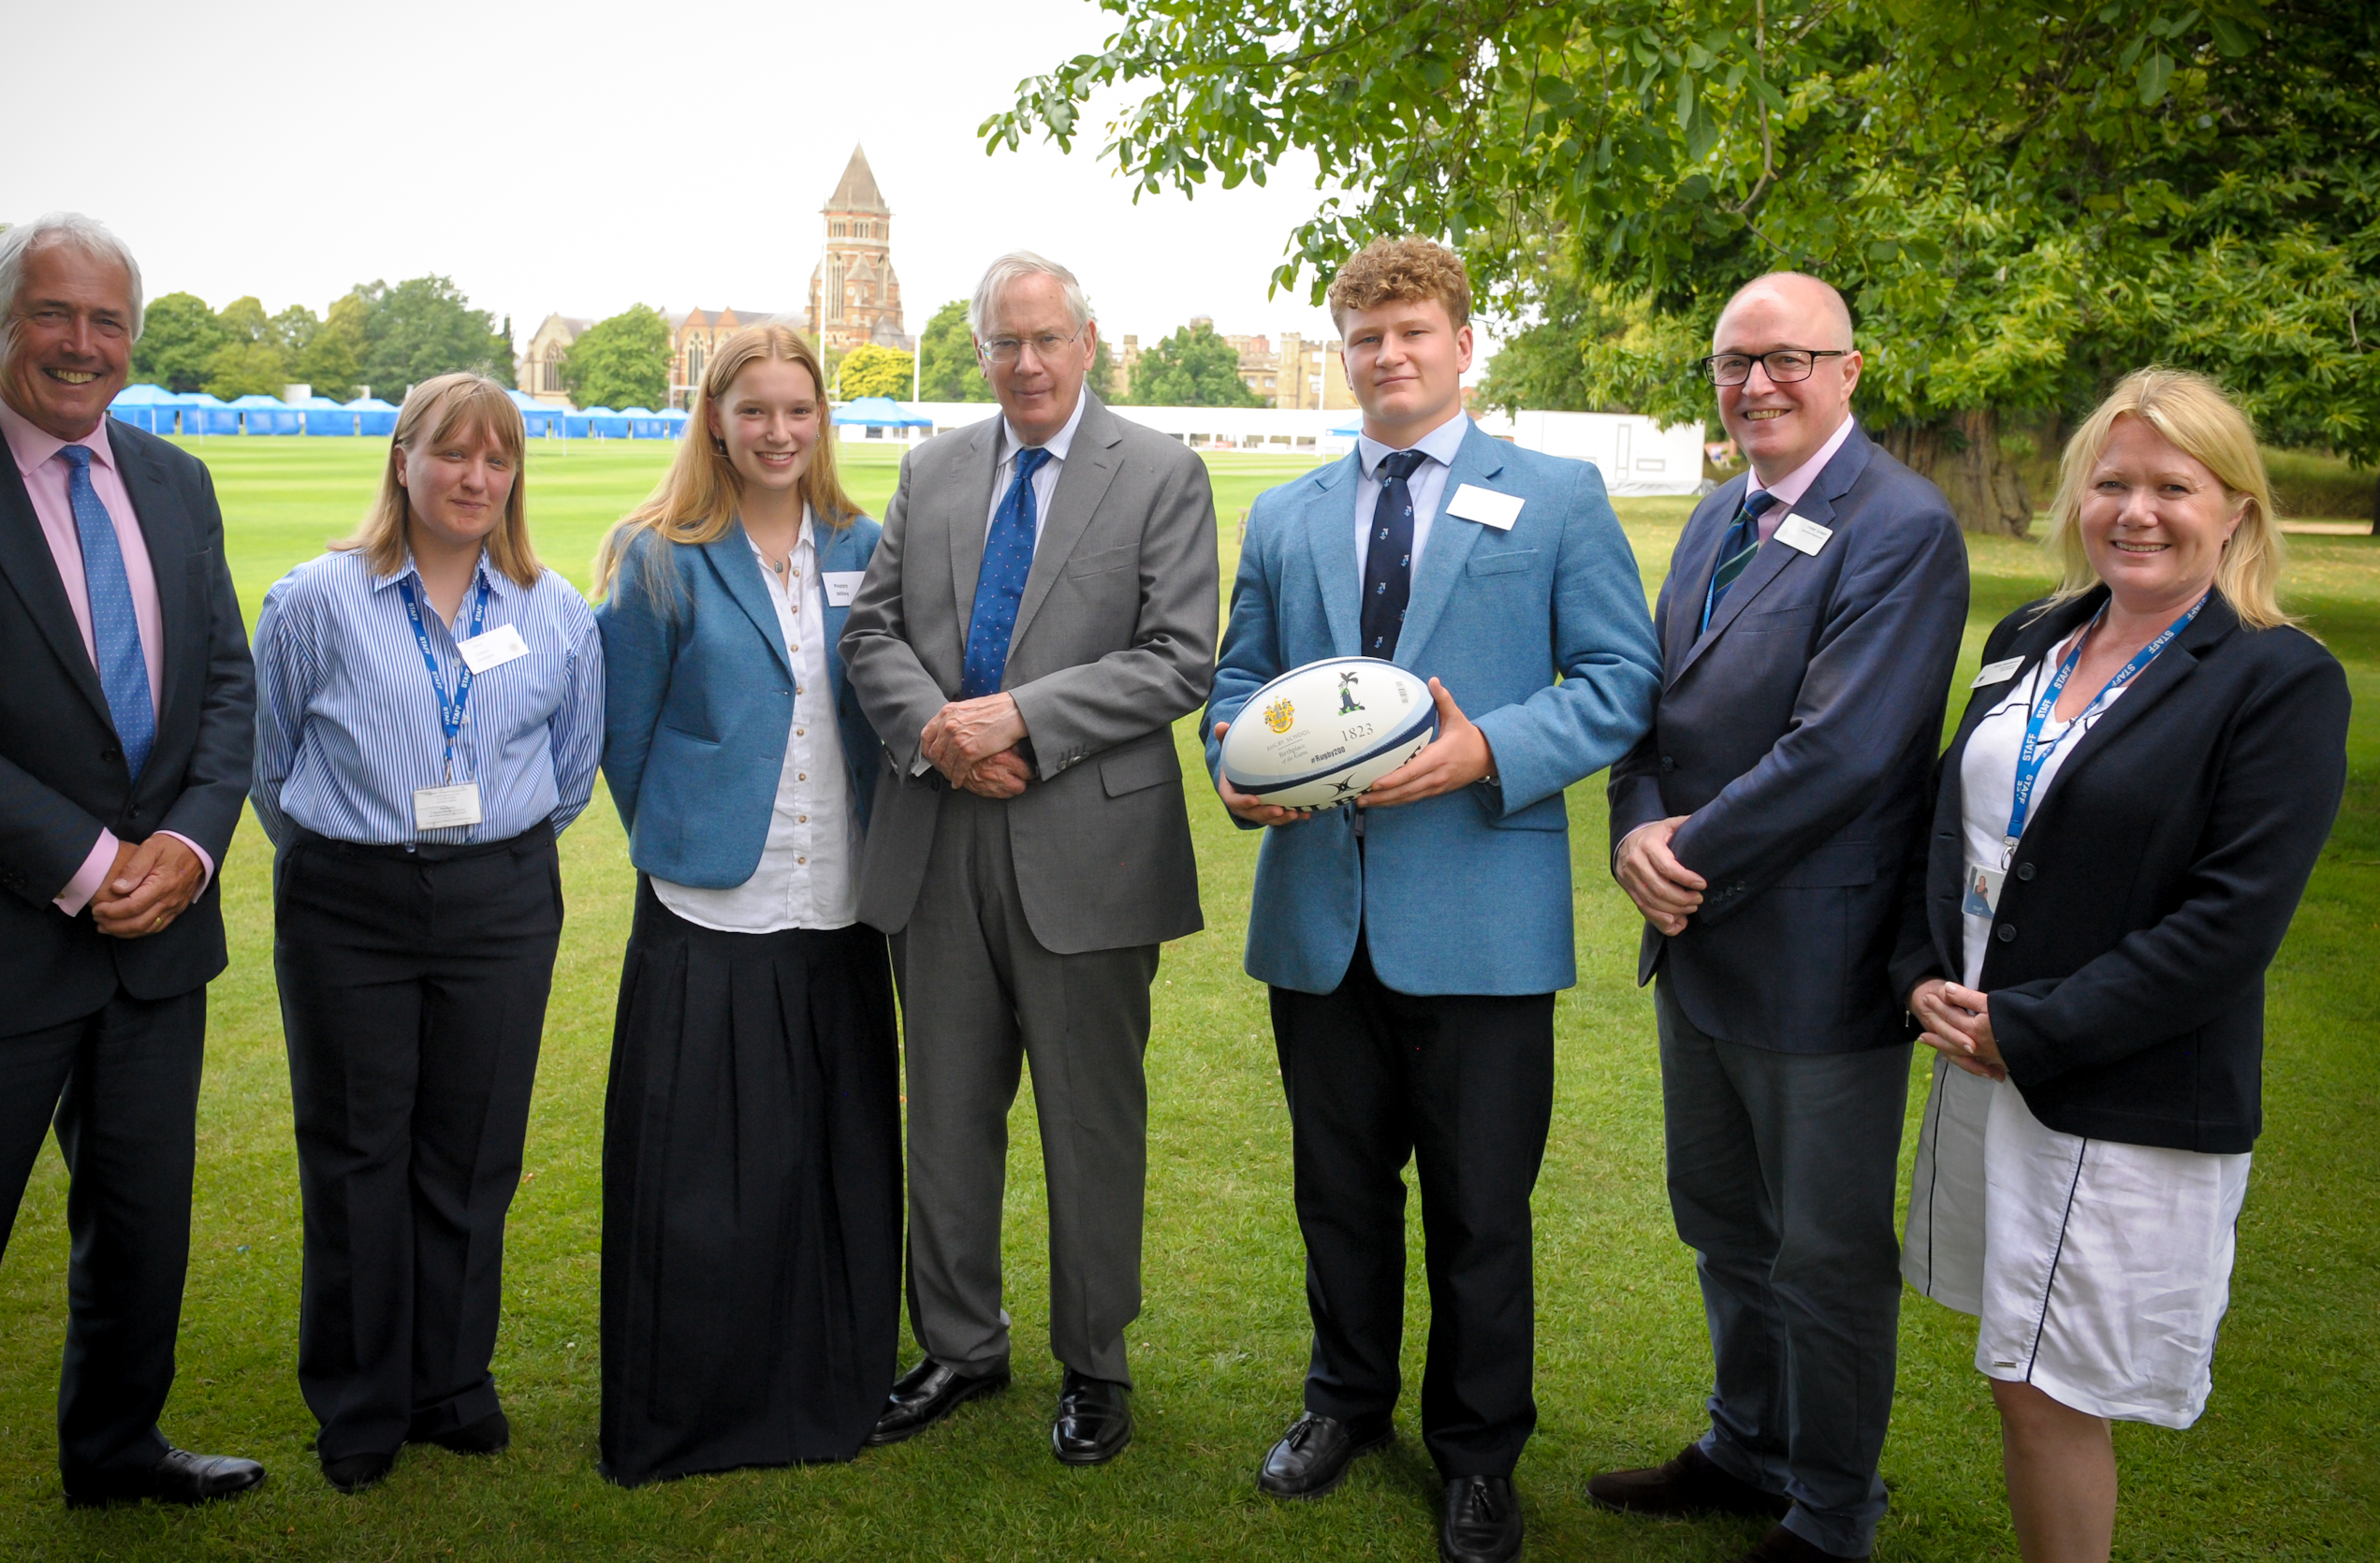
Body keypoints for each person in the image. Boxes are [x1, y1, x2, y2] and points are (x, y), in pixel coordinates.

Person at [1205, 237, 1659, 1563]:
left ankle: (1477, 1454)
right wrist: (1236, 771)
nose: (1389, 355)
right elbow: (1238, 687)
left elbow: (1622, 680)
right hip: (1317, 921)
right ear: (1343, 354)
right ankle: (1344, 1404)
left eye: (1413, 332)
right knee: (1337, 1193)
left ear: (1466, 344)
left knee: (1478, 1209)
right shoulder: (1288, 514)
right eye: (1365, 337)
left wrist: (1490, 750)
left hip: (1484, 921)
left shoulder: (1560, 497)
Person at [0, 212, 262, 1560]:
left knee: (139, 1237)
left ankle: (118, 1451)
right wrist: (89, 869)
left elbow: (226, 689)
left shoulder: (177, 482)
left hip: (159, 939)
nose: (83, 344)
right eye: (54, 315)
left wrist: (187, 848)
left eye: (108, 320)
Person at [1893, 369, 2346, 1563]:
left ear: (2237, 510)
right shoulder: (2031, 636)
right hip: (1984, 1060)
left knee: (2054, 1390)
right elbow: (1953, 828)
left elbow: (2230, 926)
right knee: (2017, 1369)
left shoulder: (2278, 679)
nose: (2136, 511)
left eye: (2172, 487)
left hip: (2117, 1093)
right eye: (2112, 483)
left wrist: (2028, 1030)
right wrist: (1922, 971)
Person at [1594, 273, 1969, 1563]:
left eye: (1787, 359)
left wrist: (1681, 851)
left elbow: (1848, 752)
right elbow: (1650, 708)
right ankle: (1748, 1447)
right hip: (1699, 942)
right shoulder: (1714, 521)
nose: (1756, 384)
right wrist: (1636, 824)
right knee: (1723, 1223)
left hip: (1817, 958)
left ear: (1850, 370)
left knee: (1824, 1253)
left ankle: (1833, 1509)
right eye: (1732, 362)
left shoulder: (1904, 527)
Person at [840, 249, 1218, 1466]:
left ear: (1089, 342)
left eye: (1047, 338)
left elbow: (1178, 655)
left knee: (1088, 1124)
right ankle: (961, 1342)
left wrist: (1023, 720)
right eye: (1004, 342)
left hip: (1089, 850)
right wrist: (944, 739)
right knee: (947, 1116)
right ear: (980, 350)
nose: (1026, 362)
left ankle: (1095, 1365)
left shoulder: (1160, 472)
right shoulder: (935, 468)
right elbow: (875, 629)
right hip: (940, 837)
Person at [250, 371, 603, 1494]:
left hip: (500, 899)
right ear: (400, 459)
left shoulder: (553, 610)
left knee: (472, 1151)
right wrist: (352, 850)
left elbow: (573, 765)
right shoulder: (316, 597)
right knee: (357, 1153)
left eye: (498, 458)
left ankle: (451, 1384)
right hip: (347, 899)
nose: (477, 478)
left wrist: (488, 849)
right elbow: (267, 762)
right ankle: (359, 1401)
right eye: (453, 453)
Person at [589, 323, 898, 1483]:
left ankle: (832, 1384)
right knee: (708, 1177)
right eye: (755, 410)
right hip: (712, 907)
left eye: (798, 411)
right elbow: (621, 740)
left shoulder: (867, 542)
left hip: (845, 901)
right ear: (714, 417)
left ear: (823, 421)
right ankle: (699, 1409)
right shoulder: (660, 552)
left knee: (830, 1159)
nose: (778, 432)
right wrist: (692, 832)